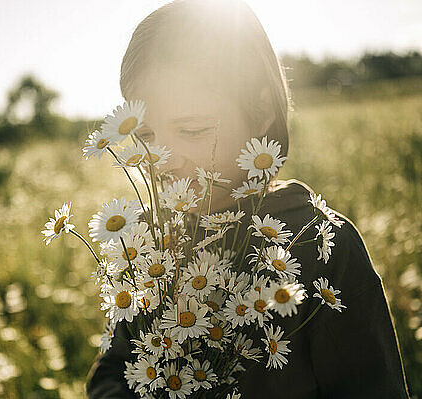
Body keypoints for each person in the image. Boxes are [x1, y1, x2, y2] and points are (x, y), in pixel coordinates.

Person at [86, 0, 411, 397]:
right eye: (148, 137)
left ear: (260, 113)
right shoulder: (153, 246)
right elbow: (113, 368)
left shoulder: (322, 247)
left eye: (191, 129)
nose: (162, 160)